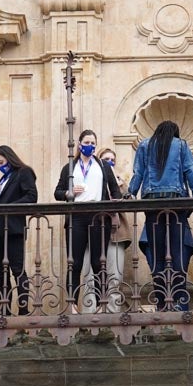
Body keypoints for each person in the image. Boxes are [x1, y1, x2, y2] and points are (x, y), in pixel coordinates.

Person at [129, 120, 193, 311]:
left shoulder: (145, 144)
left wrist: (130, 192)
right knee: (177, 255)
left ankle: (161, 301)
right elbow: (189, 171)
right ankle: (178, 301)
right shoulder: (181, 145)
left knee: (158, 254)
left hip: (153, 204)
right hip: (176, 204)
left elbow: (138, 172)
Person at [54, 130, 122, 312]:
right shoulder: (69, 167)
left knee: (98, 261)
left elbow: (116, 192)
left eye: (93, 142)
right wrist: (69, 193)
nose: (90, 145)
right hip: (76, 215)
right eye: (86, 142)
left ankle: (102, 303)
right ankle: (72, 304)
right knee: (74, 262)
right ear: (79, 144)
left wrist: (110, 209)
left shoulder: (103, 166)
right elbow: (57, 192)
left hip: (99, 216)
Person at [0, 145, 38, 315]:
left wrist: (7, 207)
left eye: (1, 161)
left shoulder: (23, 172)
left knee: (17, 269)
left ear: (9, 157)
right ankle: (5, 309)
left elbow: (31, 196)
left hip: (13, 227)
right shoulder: (2, 179)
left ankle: (23, 309)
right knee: (0, 272)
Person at [99, 146, 134, 312]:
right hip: (96, 229)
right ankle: (95, 310)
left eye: (112, 160)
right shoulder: (93, 178)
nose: (110, 163)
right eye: (106, 160)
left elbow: (130, 200)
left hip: (116, 232)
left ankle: (113, 311)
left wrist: (122, 188)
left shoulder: (120, 180)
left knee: (115, 275)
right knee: (93, 274)